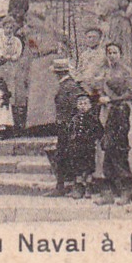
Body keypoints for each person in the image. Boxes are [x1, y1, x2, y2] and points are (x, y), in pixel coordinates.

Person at [95, 42, 132, 205]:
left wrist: (112, 99)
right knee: (105, 148)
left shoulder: (126, 71)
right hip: (106, 111)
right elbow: (95, 88)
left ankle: (127, 190)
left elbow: (130, 92)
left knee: (120, 147)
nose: (112, 55)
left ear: (121, 54)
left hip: (121, 110)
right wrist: (98, 96)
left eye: (115, 52)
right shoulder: (103, 70)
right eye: (109, 52)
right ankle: (109, 191)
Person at [22, 10, 62, 133]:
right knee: (36, 95)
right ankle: (36, 125)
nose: (30, 23)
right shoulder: (30, 35)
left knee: (49, 94)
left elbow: (61, 42)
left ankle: (50, 122)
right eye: (29, 20)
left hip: (49, 62)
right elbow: (31, 50)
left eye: (33, 20)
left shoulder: (51, 32)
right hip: (37, 64)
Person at [47, 59, 83, 196]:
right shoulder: (66, 85)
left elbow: (75, 107)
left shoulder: (70, 86)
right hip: (64, 125)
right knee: (61, 155)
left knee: (70, 155)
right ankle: (61, 186)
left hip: (68, 126)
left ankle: (72, 187)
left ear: (58, 73)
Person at [61, 91, 103, 199]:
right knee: (77, 167)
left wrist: (93, 138)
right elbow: (70, 131)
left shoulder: (93, 118)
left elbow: (99, 131)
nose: (82, 106)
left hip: (88, 147)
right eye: (80, 104)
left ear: (89, 105)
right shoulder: (74, 119)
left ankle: (88, 187)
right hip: (77, 147)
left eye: (85, 104)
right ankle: (78, 187)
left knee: (88, 167)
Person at [75, 25, 108, 90]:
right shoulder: (83, 55)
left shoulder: (105, 54)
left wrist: (97, 80)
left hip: (100, 87)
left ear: (100, 39)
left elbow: (108, 72)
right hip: (84, 87)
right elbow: (79, 71)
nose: (91, 40)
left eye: (94, 37)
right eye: (89, 37)